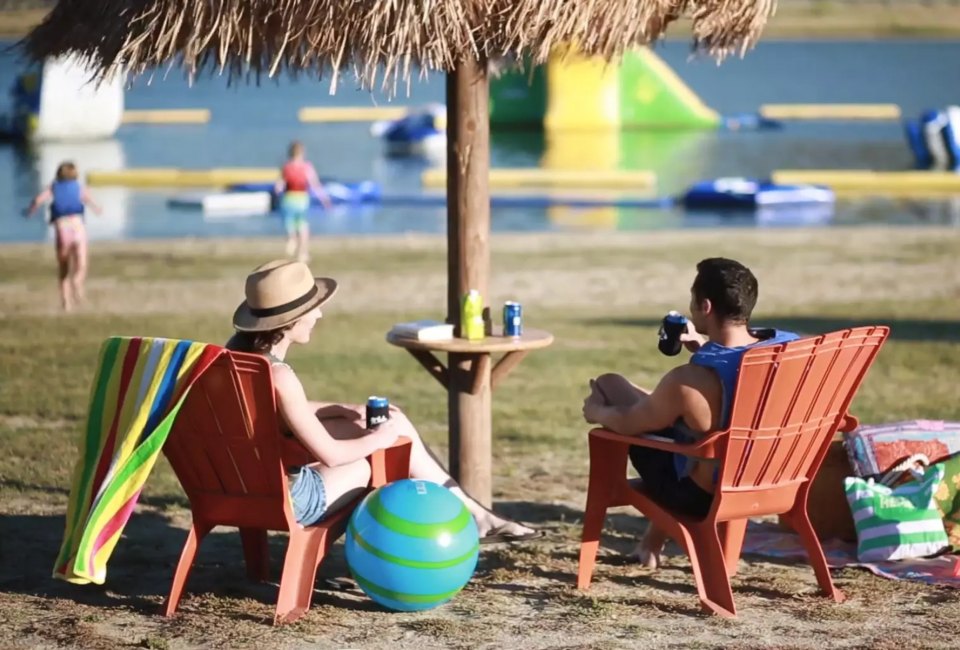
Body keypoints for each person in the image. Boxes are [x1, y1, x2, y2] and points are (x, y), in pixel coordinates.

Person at [226, 259, 540, 544]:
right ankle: (403, 549)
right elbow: (332, 456)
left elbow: (269, 409)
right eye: (313, 308)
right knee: (379, 458)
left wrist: (337, 409)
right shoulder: (281, 376)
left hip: (237, 488)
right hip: (292, 500)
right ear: (290, 320)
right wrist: (381, 438)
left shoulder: (236, 363)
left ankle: (476, 514)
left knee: (379, 423)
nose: (319, 314)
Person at [581, 257, 799, 569]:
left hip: (702, 494)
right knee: (636, 394)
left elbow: (629, 425)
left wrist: (599, 411)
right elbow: (738, 374)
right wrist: (707, 349)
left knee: (609, 389)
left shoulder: (689, 381)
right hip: (776, 477)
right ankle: (650, 545)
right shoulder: (789, 348)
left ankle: (637, 534)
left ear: (705, 306)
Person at [23, 161, 102, 312]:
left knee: (63, 267)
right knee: (82, 262)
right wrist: (98, 209)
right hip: (77, 225)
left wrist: (30, 210)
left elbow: (38, 200)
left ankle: (66, 303)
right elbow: (89, 200)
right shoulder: (79, 187)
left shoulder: (53, 186)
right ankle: (78, 282)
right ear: (75, 174)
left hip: (62, 227)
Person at [275, 141, 333, 263]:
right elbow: (315, 185)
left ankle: (291, 238)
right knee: (302, 225)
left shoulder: (286, 167)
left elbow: (279, 186)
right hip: (301, 199)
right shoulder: (307, 167)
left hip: (288, 198)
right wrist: (325, 200)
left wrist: (276, 196)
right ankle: (303, 253)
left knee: (289, 222)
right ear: (302, 152)